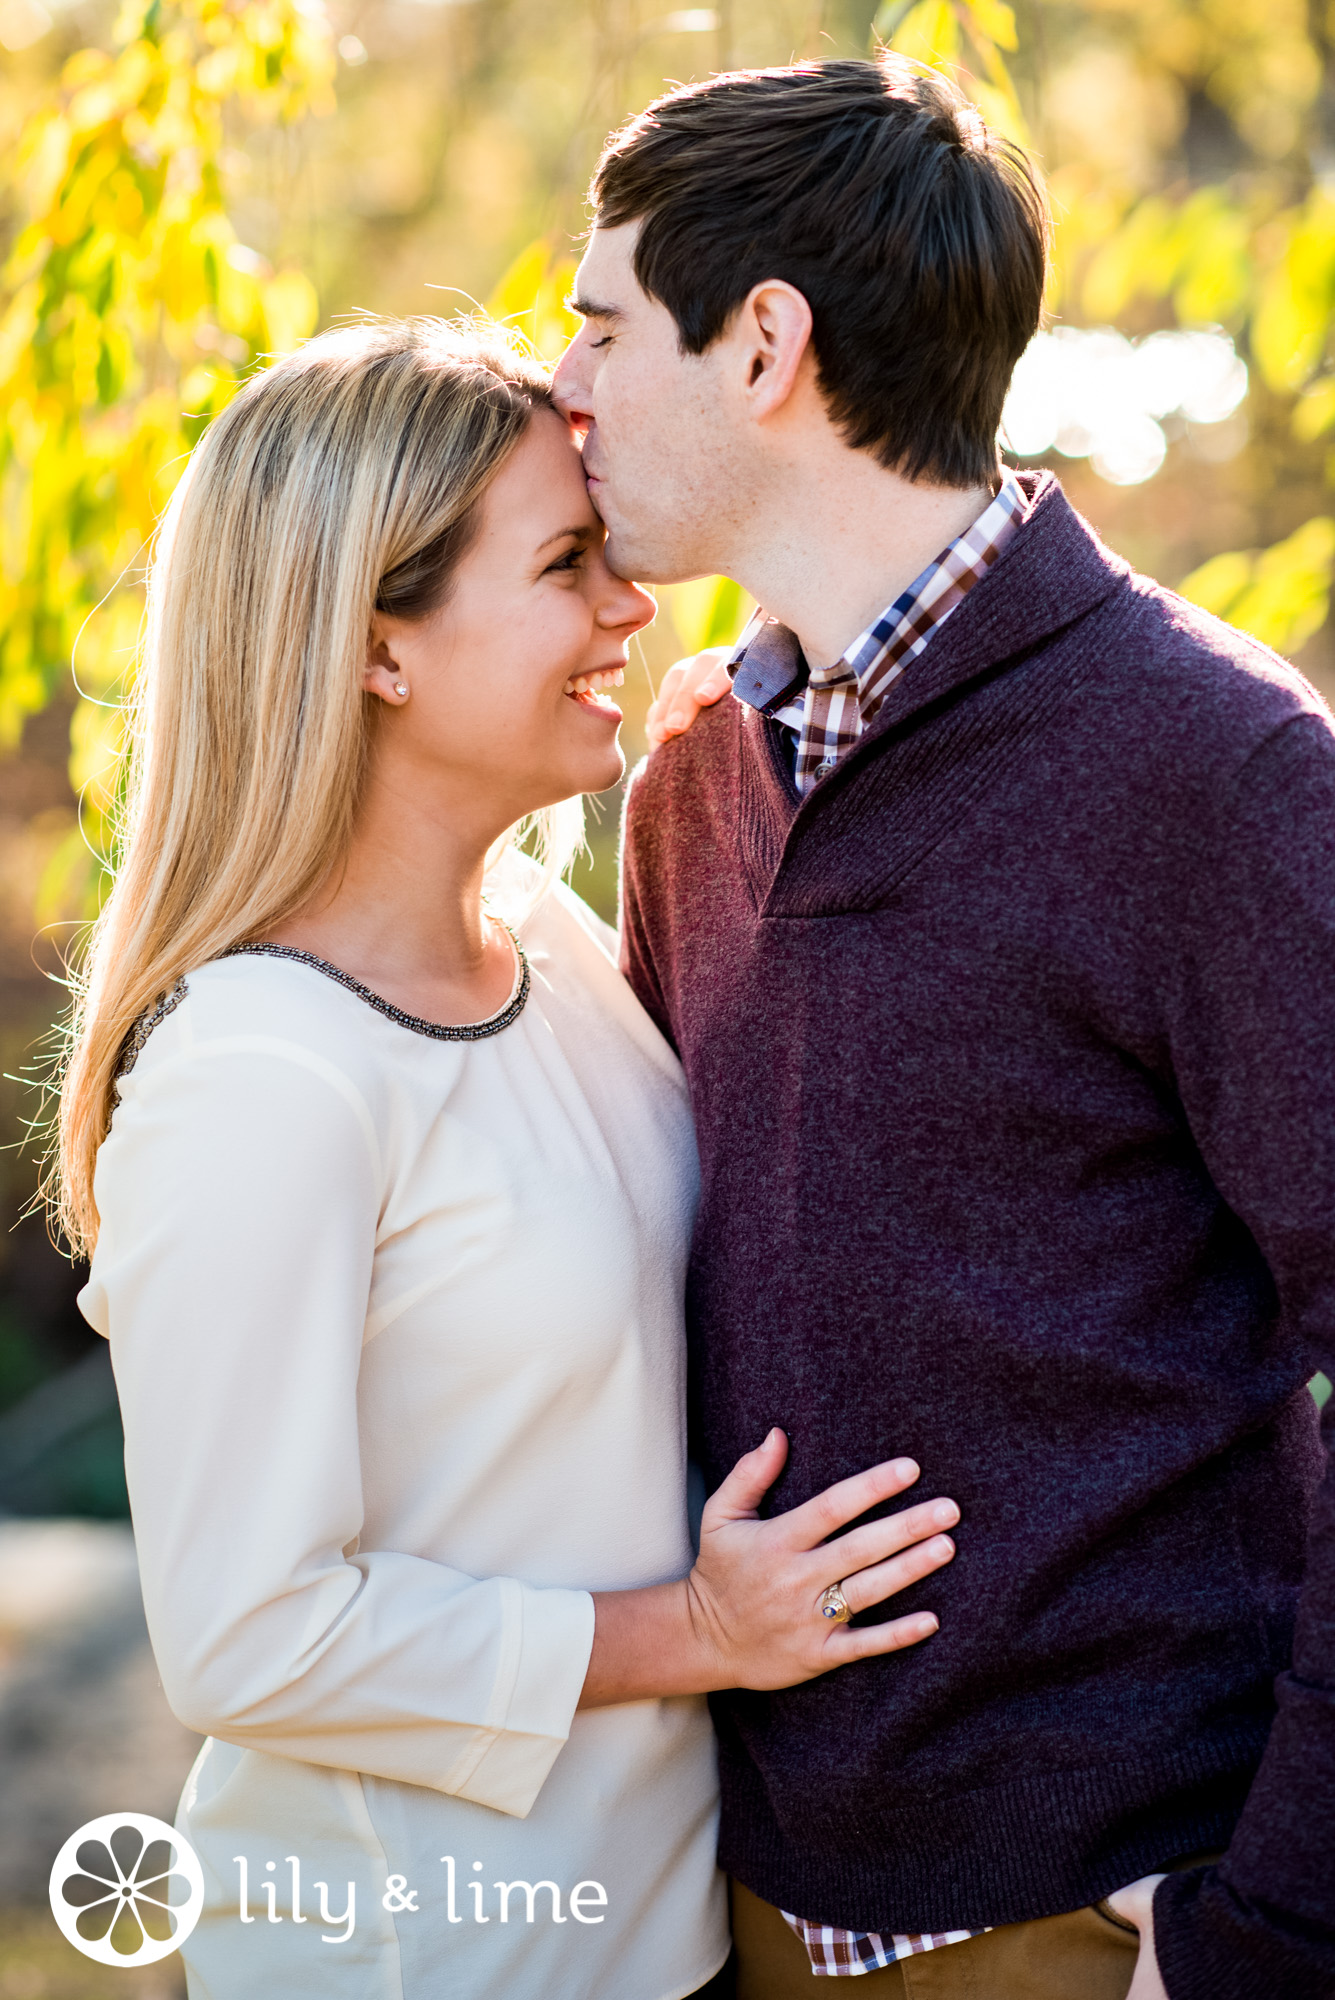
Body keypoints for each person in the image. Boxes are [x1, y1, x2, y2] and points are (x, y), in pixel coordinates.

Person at [53, 318, 965, 1999]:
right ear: (377, 646)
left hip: (672, 1925)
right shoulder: (259, 1073)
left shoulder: (550, 941)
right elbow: (250, 1635)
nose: (630, 605)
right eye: (565, 565)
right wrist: (694, 1633)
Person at [552, 53, 1335, 2000]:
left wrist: (1272, 1925)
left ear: (759, 347)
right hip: (723, 1909)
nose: (561, 392)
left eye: (595, 325)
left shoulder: (1214, 772)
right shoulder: (692, 784)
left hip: (1100, 1920)